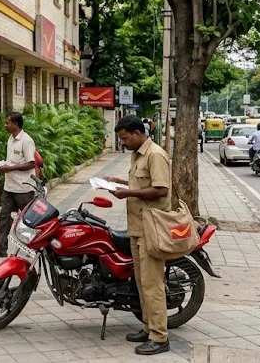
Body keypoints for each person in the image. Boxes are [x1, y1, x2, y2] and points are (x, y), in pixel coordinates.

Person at [104, 115, 172, 356]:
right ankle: (148, 327)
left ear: (136, 133)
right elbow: (140, 182)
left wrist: (128, 192)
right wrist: (117, 182)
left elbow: (161, 189)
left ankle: (160, 337)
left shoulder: (155, 155)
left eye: (124, 138)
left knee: (153, 285)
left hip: (152, 229)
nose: (122, 142)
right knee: (142, 283)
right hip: (137, 227)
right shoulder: (137, 154)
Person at [0, 112, 37, 258]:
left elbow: (32, 163)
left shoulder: (26, 141)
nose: (5, 125)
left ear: (16, 124)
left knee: (27, 221)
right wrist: (3, 165)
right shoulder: (10, 139)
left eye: (7, 123)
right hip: (9, 187)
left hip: (23, 188)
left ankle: (32, 248)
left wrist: (10, 168)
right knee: (4, 218)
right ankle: (1, 250)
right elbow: (12, 160)